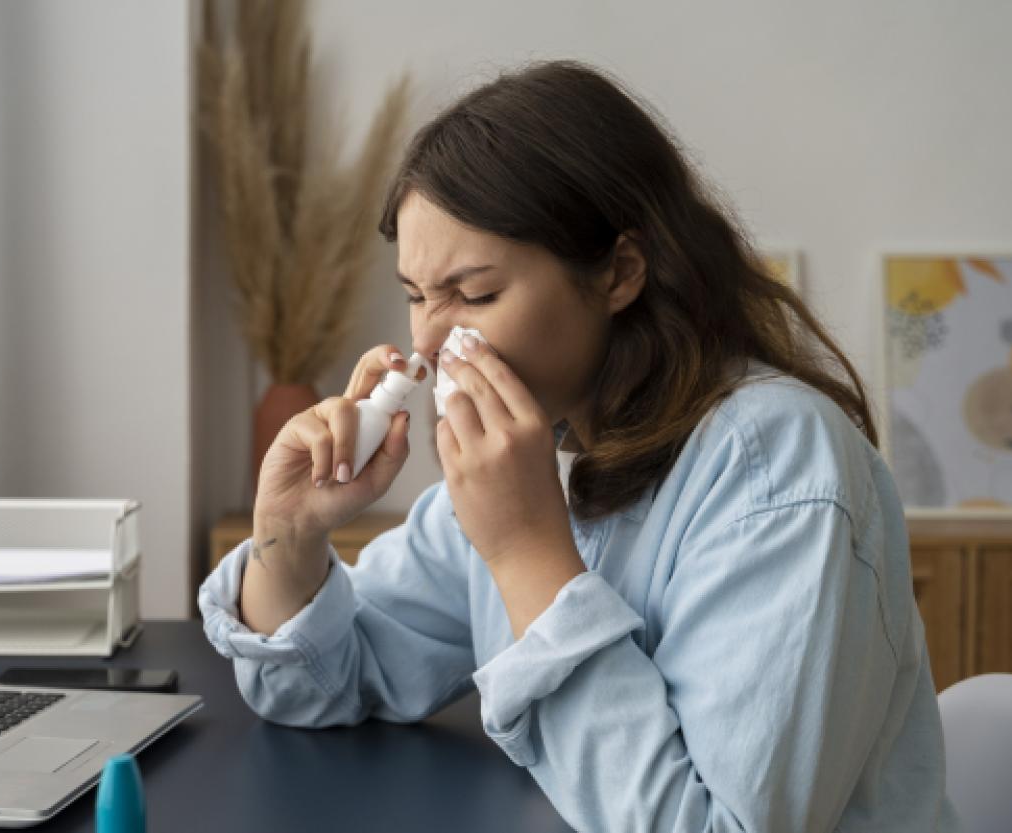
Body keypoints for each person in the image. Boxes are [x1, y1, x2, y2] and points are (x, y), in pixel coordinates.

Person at [199, 60, 960, 832]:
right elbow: (314, 685)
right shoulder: (546, 453)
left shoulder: (778, 468)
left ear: (620, 272)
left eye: (475, 293)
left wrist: (527, 551)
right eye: (416, 296)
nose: (426, 343)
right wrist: (288, 533)